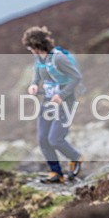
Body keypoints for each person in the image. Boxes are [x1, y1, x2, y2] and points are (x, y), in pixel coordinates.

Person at [23, 26, 84, 183]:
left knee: (55, 139)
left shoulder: (58, 58)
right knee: (43, 139)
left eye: (30, 47)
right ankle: (56, 172)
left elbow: (76, 77)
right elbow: (37, 76)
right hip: (47, 102)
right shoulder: (38, 59)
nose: (29, 50)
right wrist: (34, 84)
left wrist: (62, 95)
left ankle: (75, 157)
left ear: (37, 45)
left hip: (65, 103)